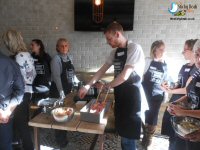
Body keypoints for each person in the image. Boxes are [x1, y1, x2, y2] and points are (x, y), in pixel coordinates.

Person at [79, 22, 145, 150]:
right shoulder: (115, 52)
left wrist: (105, 86)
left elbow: (125, 76)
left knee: (128, 139)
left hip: (132, 99)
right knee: (122, 135)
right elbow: (102, 70)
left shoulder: (134, 48)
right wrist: (88, 85)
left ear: (117, 34)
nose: (108, 42)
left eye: (109, 39)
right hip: (120, 96)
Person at [161, 39, 197, 150]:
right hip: (177, 102)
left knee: (181, 140)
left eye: (185, 50)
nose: (183, 52)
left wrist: (169, 91)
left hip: (187, 108)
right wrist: (171, 86)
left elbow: (187, 90)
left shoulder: (196, 69)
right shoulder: (184, 66)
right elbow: (179, 83)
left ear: (193, 51)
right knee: (172, 135)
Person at [2, 29, 36, 150]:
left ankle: (28, 147)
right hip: (28, 92)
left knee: (21, 125)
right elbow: (33, 74)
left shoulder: (18, 57)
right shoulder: (27, 54)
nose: (5, 45)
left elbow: (17, 81)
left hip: (21, 94)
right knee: (20, 124)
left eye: (6, 42)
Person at [50, 38, 79, 147]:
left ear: (68, 46)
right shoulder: (55, 59)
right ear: (57, 47)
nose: (64, 48)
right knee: (59, 117)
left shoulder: (69, 58)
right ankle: (61, 142)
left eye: (66, 45)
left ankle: (64, 138)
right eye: (61, 46)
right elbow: (57, 77)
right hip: (58, 92)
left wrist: (78, 83)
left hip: (67, 91)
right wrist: (61, 93)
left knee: (66, 114)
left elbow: (72, 74)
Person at [142, 40, 169, 148]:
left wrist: (166, 92)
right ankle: (144, 134)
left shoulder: (165, 64)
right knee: (144, 115)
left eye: (164, 49)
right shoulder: (147, 61)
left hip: (157, 95)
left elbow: (166, 80)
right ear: (154, 50)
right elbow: (140, 76)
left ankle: (149, 138)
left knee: (153, 117)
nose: (163, 51)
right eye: (161, 49)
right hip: (145, 94)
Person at [0, 52, 24, 150]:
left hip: (4, 114)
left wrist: (7, 111)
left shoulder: (9, 63)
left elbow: (20, 90)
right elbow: (20, 90)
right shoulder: (10, 63)